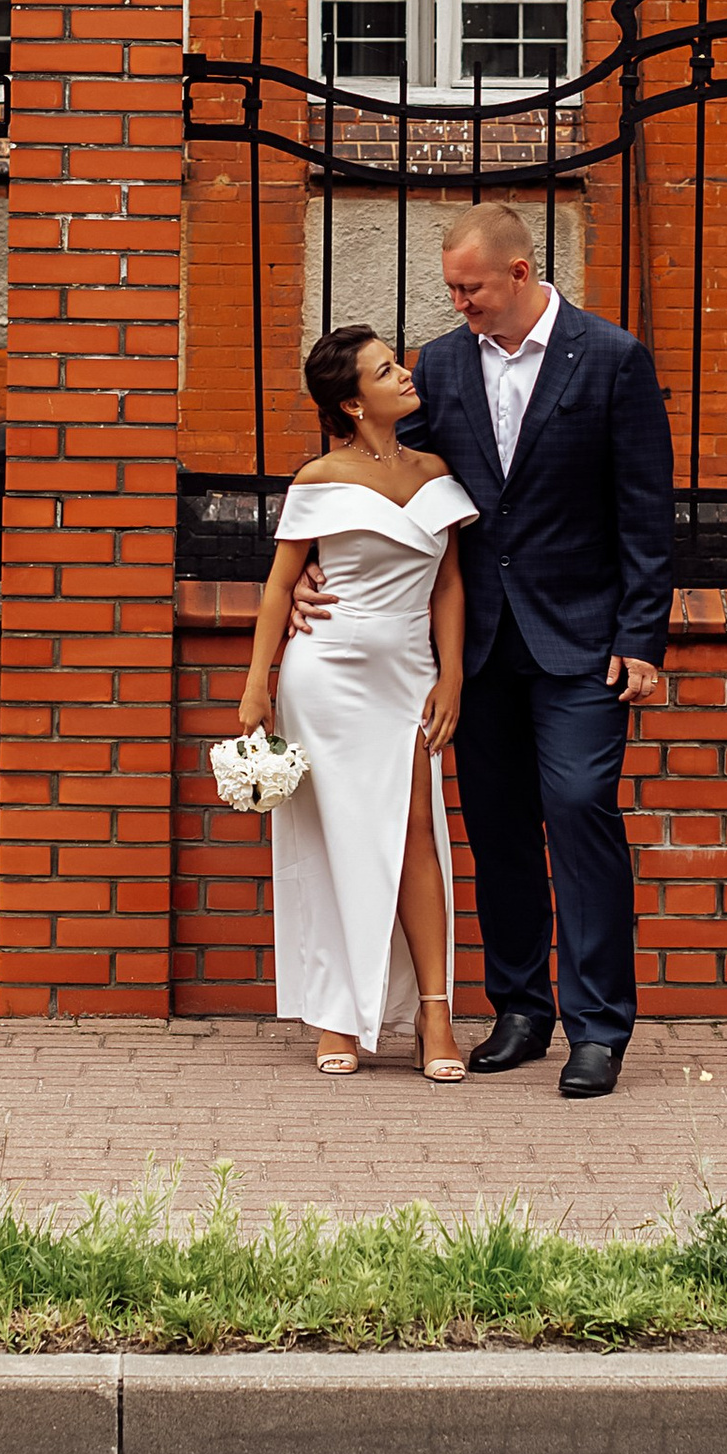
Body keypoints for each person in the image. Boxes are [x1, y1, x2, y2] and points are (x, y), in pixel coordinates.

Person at [294, 202, 674, 1098]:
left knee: (580, 806)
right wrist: (314, 561)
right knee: (498, 823)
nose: (457, 301)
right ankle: (520, 1008)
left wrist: (642, 638)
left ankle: (597, 1027)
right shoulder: (444, 364)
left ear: (517, 272)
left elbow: (646, 511)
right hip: (478, 645)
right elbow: (383, 475)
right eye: (451, 288)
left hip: (585, 639)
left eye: (469, 287)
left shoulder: (612, 358)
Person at [236, 326, 475, 1079]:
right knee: (333, 837)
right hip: (325, 679)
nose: (405, 373)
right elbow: (282, 584)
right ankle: (336, 1012)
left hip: (409, 676)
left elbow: (448, 583)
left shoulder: (435, 470)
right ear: (351, 400)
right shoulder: (319, 477)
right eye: (386, 369)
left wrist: (453, 675)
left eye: (397, 362)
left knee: (414, 834)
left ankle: (433, 1014)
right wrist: (256, 684)